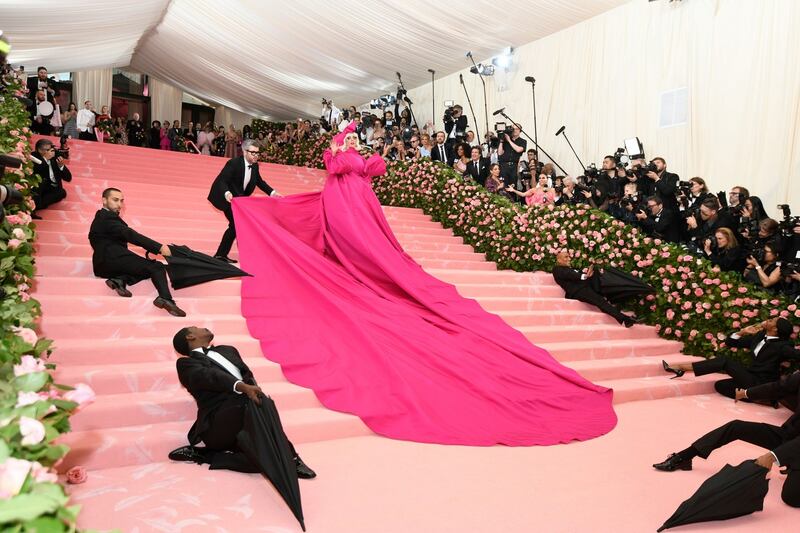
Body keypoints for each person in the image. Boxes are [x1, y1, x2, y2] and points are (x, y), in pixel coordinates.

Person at [228, 122, 617, 446]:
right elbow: (336, 165)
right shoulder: (342, 157)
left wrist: (361, 154)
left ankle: (363, 270)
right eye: (349, 138)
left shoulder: (359, 160)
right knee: (349, 240)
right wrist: (342, 148)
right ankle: (347, 264)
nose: (353, 142)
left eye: (354, 139)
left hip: (361, 203)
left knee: (370, 247)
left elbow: (372, 168)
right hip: (343, 203)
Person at [167, 327, 316, 479]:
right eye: (196, 328)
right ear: (190, 336)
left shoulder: (228, 350)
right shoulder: (186, 364)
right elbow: (209, 376)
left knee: (266, 463)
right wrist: (241, 387)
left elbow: (248, 376)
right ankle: (292, 458)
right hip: (218, 427)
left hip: (246, 426)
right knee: (247, 400)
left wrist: (251, 388)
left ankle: (207, 455)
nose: (203, 327)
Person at [653, 371, 800, 507]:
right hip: (789, 434)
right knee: (736, 427)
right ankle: (684, 457)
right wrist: (746, 393)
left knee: (791, 498)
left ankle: (791, 460)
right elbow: (777, 387)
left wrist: (775, 456)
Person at [88, 188, 186, 317]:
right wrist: (159, 247)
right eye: (115, 200)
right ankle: (165, 298)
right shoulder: (107, 219)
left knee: (144, 268)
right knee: (157, 267)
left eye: (121, 201)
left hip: (103, 265)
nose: (119, 205)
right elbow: (130, 235)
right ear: (104, 200)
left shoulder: (101, 218)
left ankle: (119, 280)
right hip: (113, 259)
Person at [662, 318, 799, 398]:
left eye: (771, 320)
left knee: (725, 361)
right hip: (751, 377)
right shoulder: (759, 337)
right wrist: (742, 332)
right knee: (720, 385)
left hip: (762, 382)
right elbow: (731, 343)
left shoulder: (783, 346)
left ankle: (680, 368)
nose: (767, 320)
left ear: (775, 330)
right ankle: (754, 397)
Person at [207, 139, 279, 263]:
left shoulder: (255, 165)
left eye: (257, 153)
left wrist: (273, 193)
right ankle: (224, 255)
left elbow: (259, 182)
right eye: (253, 153)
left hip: (239, 199)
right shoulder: (233, 163)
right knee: (236, 224)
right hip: (225, 197)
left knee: (237, 225)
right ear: (245, 152)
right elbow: (222, 181)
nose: (256, 156)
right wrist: (227, 193)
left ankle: (222, 255)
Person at [552, 251, 637, 327]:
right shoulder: (557, 269)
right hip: (578, 291)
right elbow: (570, 275)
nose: (569, 259)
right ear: (559, 260)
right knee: (601, 301)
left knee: (601, 299)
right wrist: (584, 275)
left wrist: (588, 273)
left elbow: (574, 275)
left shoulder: (567, 269)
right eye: (566, 257)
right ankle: (625, 319)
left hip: (584, 288)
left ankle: (624, 319)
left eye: (568, 256)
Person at [31, 138, 71, 217]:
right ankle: (36, 204)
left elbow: (68, 178)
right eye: (48, 149)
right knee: (38, 186)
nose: (51, 152)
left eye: (52, 149)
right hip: (40, 188)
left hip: (53, 188)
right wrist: (45, 159)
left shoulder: (55, 156)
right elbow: (37, 170)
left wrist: (61, 166)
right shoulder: (34, 156)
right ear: (40, 150)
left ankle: (39, 204)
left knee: (62, 193)